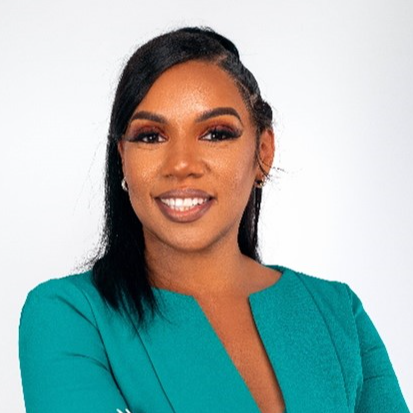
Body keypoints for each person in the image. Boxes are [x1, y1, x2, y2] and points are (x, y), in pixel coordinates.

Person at [18, 27, 410, 413]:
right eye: (151, 136)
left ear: (263, 152)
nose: (181, 164)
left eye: (216, 134)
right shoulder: (68, 316)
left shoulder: (338, 314)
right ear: (123, 158)